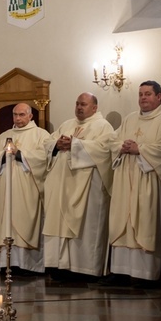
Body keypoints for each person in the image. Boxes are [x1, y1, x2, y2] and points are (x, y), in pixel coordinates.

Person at [101, 81, 161, 288]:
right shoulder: (130, 118)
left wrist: (139, 148)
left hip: (147, 178)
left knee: (145, 222)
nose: (143, 98)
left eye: (148, 94)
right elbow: (112, 141)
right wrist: (122, 147)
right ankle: (121, 272)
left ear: (159, 97)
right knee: (122, 223)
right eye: (141, 94)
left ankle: (147, 274)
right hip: (125, 177)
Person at [42, 92, 115, 281]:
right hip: (61, 184)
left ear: (94, 107)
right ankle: (59, 266)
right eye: (77, 104)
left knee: (85, 226)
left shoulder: (103, 126)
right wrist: (57, 144)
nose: (79, 107)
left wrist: (75, 145)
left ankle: (85, 269)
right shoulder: (67, 124)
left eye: (83, 104)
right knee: (59, 223)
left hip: (88, 186)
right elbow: (47, 143)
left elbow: (105, 150)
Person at [0, 103, 49, 275]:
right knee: (7, 223)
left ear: (30, 116)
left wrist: (20, 154)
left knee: (25, 221)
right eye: (15, 115)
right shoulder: (4, 136)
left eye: (22, 115)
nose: (18, 118)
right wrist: (4, 155)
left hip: (28, 189)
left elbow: (45, 158)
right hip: (5, 189)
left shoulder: (40, 135)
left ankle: (29, 266)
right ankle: (7, 264)